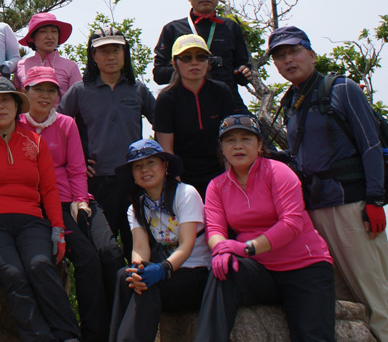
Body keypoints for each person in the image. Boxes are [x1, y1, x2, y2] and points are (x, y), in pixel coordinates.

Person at [269, 25, 388, 341]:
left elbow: (370, 146)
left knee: (373, 295)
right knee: (341, 297)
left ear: (311, 54)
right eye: (280, 55)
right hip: (316, 211)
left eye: (294, 51)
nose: (288, 60)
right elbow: (301, 158)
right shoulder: (291, 103)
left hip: (352, 206)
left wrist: (374, 199)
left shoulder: (341, 89)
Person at [195, 114, 335, 342]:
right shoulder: (217, 186)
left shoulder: (278, 172)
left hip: (304, 268)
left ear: (260, 145)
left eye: (246, 139)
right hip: (260, 272)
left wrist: (245, 249)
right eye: (230, 140)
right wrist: (221, 249)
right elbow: (214, 228)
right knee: (224, 270)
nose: (238, 145)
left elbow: (292, 223)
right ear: (222, 147)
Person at [0, 77, 80, 342]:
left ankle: (69, 335)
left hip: (32, 221)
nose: (0, 106)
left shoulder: (35, 142)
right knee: (13, 275)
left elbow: (49, 189)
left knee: (40, 266)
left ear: (17, 106)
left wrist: (58, 228)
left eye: (5, 100)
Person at [20, 66, 123, 342]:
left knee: (104, 255)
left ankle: (110, 330)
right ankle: (87, 333)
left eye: (51, 90)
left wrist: (81, 201)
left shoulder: (66, 123)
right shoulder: (16, 125)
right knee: (85, 259)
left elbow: (77, 168)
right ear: (24, 91)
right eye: (38, 89)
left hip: (72, 200)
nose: (45, 95)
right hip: (41, 204)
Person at [59, 26, 155, 256]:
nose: (110, 56)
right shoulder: (79, 92)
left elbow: (163, 126)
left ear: (125, 54)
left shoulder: (138, 89)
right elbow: (58, 130)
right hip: (97, 182)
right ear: (93, 56)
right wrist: (78, 160)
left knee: (141, 248)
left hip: (135, 181)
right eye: (103, 51)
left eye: (116, 50)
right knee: (105, 251)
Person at [110, 139, 210, 342]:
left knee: (150, 284)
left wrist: (162, 269)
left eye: (150, 163)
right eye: (137, 166)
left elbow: (186, 245)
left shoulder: (186, 194)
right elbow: (139, 248)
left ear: (165, 166)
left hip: (195, 273)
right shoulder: (137, 207)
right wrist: (138, 270)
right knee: (125, 277)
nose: (144, 170)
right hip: (168, 273)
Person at [153, 33, 246, 199]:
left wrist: (232, 181)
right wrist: (178, 188)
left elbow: (230, 140)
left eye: (201, 57)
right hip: (184, 179)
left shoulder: (221, 91)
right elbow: (167, 151)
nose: (194, 62)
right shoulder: (166, 99)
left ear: (208, 63)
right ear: (175, 63)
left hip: (220, 174)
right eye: (186, 58)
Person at [152, 0, 252, 107]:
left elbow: (244, 70)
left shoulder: (230, 27)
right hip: (186, 105)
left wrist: (243, 73)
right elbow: (158, 74)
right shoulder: (172, 29)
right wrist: (189, 67)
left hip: (227, 103)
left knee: (252, 127)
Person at [14, 12, 80, 93]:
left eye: (54, 31)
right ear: (32, 37)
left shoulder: (71, 66)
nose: (50, 36)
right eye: (43, 31)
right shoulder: (21, 65)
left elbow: (78, 99)